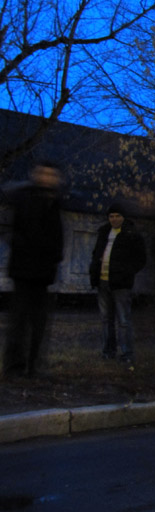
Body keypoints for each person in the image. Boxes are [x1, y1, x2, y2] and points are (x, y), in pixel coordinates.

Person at [2, 162, 64, 378]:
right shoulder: (26, 197)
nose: (48, 178)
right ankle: (15, 367)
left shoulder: (53, 200)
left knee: (39, 323)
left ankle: (34, 366)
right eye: (44, 174)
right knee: (19, 321)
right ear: (36, 175)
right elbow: (23, 232)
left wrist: (55, 256)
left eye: (52, 174)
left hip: (43, 272)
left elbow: (55, 234)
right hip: (25, 269)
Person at [89, 201, 147, 368]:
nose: (114, 219)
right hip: (103, 281)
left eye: (117, 216)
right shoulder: (104, 232)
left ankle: (127, 353)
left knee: (123, 320)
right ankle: (108, 351)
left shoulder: (131, 234)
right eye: (111, 216)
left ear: (123, 217)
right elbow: (97, 253)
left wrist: (127, 272)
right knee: (106, 319)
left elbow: (140, 259)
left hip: (121, 283)